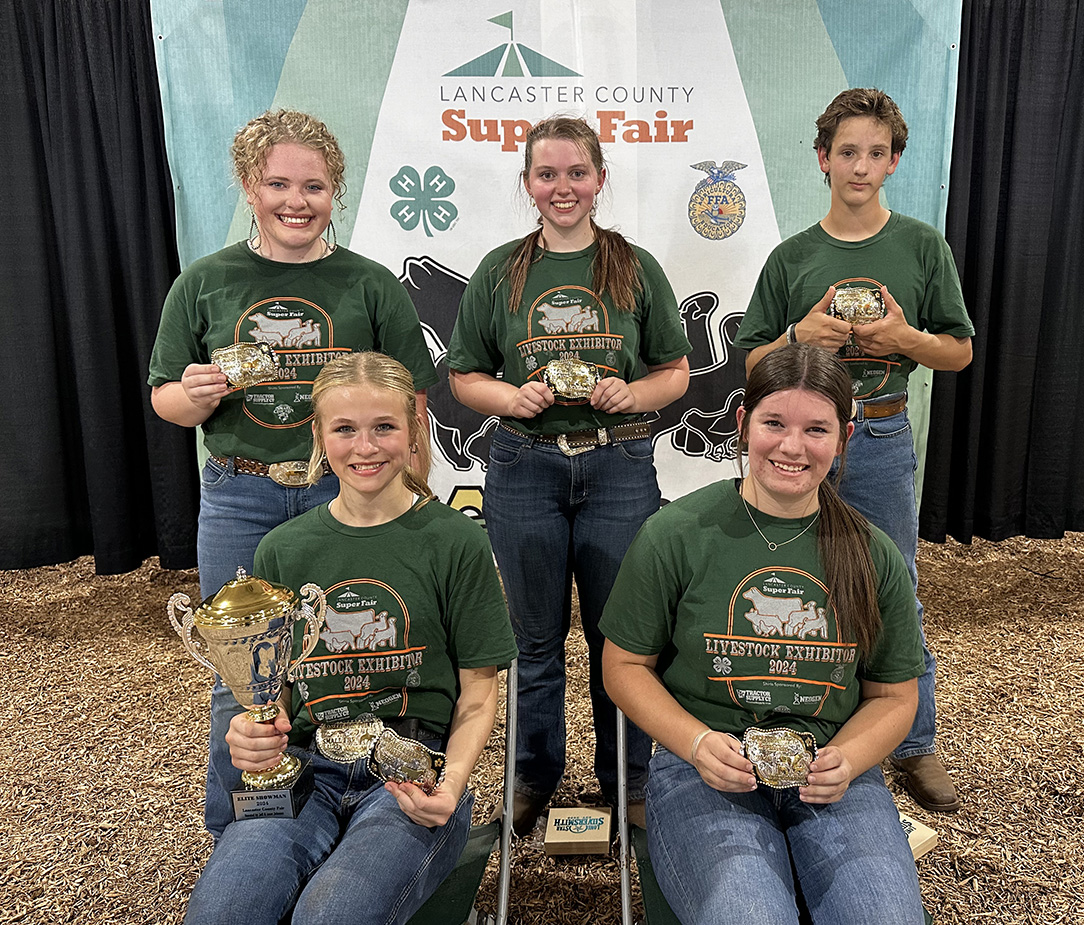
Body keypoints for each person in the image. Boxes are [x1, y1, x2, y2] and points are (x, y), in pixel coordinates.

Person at [147, 109, 438, 839]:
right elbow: (165, 399)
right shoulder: (205, 282)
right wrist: (197, 395)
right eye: (278, 183)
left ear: (333, 190)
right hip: (240, 491)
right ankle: (238, 832)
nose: (295, 201)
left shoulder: (368, 284)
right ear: (250, 186)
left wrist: (412, 491)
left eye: (313, 185)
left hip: (343, 492)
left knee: (343, 653)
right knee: (238, 673)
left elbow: (414, 402)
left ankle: (355, 806)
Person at [183, 352, 517, 925]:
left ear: (414, 430)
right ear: (318, 435)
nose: (365, 448)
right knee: (225, 911)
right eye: (345, 429)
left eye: (384, 426)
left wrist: (453, 783)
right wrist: (253, 732)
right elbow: (275, 687)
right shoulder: (282, 549)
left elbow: (481, 692)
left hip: (411, 774)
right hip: (302, 767)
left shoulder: (455, 541)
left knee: (331, 915)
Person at [601, 344, 926, 925]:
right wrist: (697, 744)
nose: (792, 447)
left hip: (831, 769)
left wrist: (849, 760)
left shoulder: (871, 552)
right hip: (703, 768)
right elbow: (623, 667)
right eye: (774, 423)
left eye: (816, 429)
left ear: (845, 436)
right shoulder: (675, 533)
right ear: (743, 423)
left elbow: (895, 696)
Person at [447, 115, 692, 833]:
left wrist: (634, 394)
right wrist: (508, 397)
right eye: (546, 174)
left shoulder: (634, 265)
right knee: (533, 640)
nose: (563, 187)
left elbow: (674, 371)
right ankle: (533, 774)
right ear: (527, 183)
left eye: (576, 173)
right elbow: (463, 375)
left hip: (618, 462)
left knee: (625, 638)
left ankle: (629, 780)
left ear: (600, 179)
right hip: (525, 465)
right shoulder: (501, 269)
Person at [734, 88, 974, 813]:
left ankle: (914, 741)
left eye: (875, 153)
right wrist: (800, 337)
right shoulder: (793, 257)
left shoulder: (921, 246)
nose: (860, 167)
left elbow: (958, 351)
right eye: (847, 153)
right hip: (801, 441)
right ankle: (806, 720)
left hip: (879, 431)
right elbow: (750, 363)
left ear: (895, 161)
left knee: (892, 580)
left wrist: (904, 341)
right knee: (792, 578)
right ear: (821, 159)